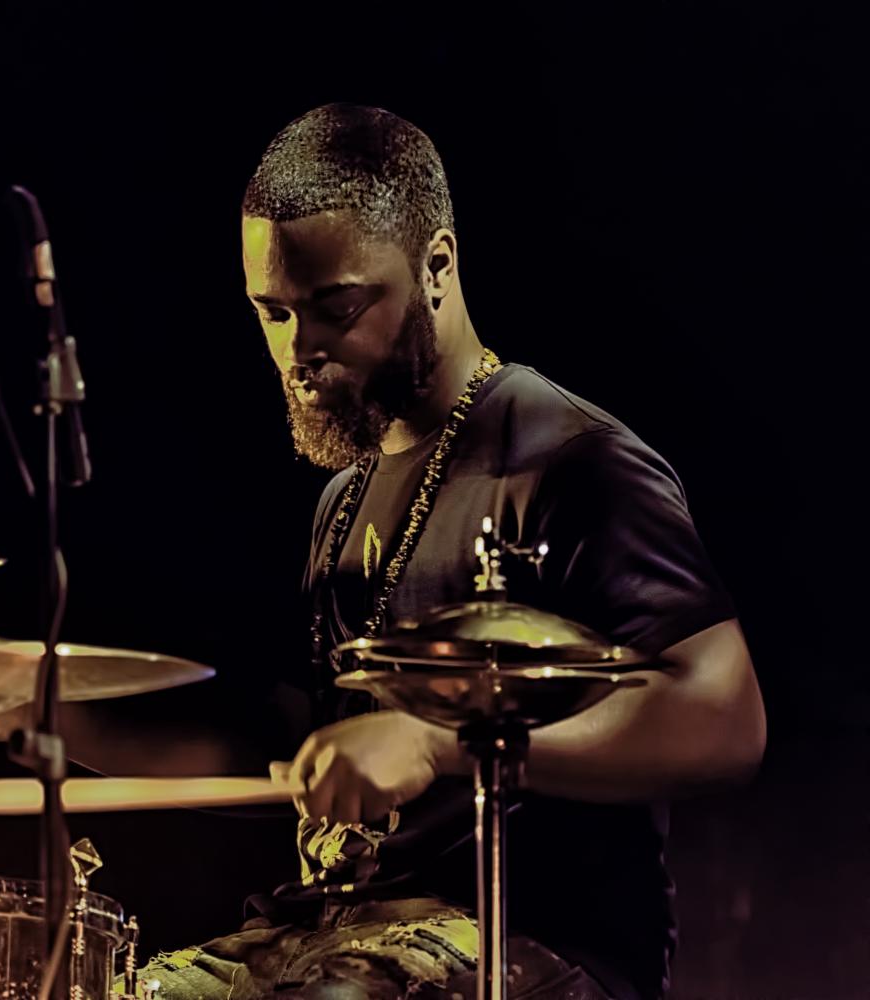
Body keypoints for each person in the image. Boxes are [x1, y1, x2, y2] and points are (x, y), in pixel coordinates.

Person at [129, 104, 765, 1000]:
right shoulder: (340, 502)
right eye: (270, 314)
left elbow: (725, 721)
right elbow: (302, 748)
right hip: (341, 930)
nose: (297, 351)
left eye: (334, 307)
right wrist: (39, 710)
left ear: (436, 267)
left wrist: (446, 743)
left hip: (541, 941)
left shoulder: (573, 457)